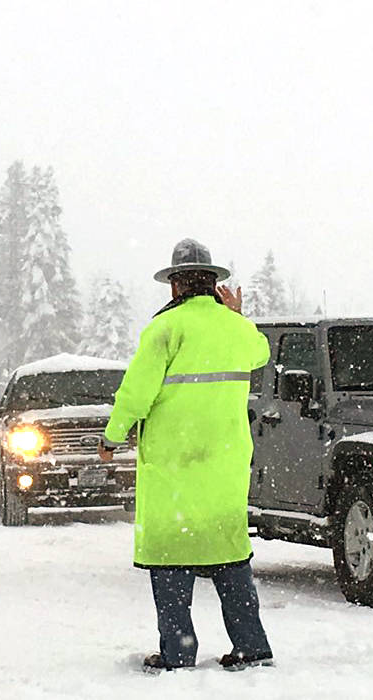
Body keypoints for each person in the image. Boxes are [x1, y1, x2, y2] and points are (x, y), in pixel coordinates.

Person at [98, 238, 273, 673]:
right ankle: (251, 646)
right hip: (225, 464)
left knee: (172, 557)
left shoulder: (165, 330)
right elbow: (261, 353)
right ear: (214, 284)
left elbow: (136, 394)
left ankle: (178, 652)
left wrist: (112, 436)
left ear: (175, 285)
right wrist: (236, 315)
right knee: (230, 556)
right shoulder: (239, 331)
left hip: (175, 467)